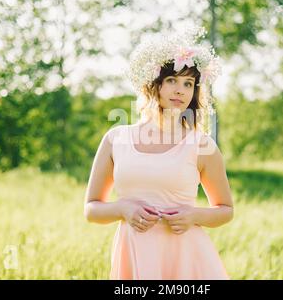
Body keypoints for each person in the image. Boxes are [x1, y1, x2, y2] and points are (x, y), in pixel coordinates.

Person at [84, 26, 234, 280]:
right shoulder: (115, 139)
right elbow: (91, 209)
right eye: (172, 81)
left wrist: (195, 215)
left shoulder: (202, 145)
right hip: (134, 254)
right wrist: (123, 208)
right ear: (153, 85)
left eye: (188, 84)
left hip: (186, 258)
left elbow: (225, 209)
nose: (180, 90)